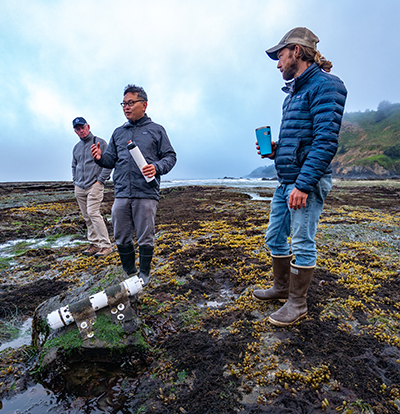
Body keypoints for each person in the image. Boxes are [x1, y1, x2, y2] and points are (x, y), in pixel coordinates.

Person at [253, 27, 347, 327]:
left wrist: (304, 185)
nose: (278, 64)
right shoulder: (293, 92)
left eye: (280, 56)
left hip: (305, 182)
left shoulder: (326, 86)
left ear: (296, 51)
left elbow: (325, 141)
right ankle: (282, 288)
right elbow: (301, 139)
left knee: (302, 241)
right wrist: (276, 151)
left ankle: (298, 303)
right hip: (286, 180)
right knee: (274, 238)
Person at [90, 85, 176, 286]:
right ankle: (130, 270)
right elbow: (111, 160)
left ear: (144, 105)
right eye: (124, 104)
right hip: (121, 192)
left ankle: (144, 273)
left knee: (146, 235)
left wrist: (156, 167)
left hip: (146, 192)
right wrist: (100, 158)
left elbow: (170, 157)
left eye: (131, 103)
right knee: (120, 233)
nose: (126, 107)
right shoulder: (118, 132)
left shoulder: (157, 130)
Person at [72, 117, 113, 257]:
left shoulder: (100, 142)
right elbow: (74, 165)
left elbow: (109, 163)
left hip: (94, 185)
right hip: (80, 187)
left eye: (82, 127)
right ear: (75, 131)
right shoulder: (76, 148)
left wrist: (100, 181)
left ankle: (106, 245)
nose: (81, 131)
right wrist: (75, 182)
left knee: (93, 213)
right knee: (86, 216)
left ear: (88, 126)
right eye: (78, 129)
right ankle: (94, 244)